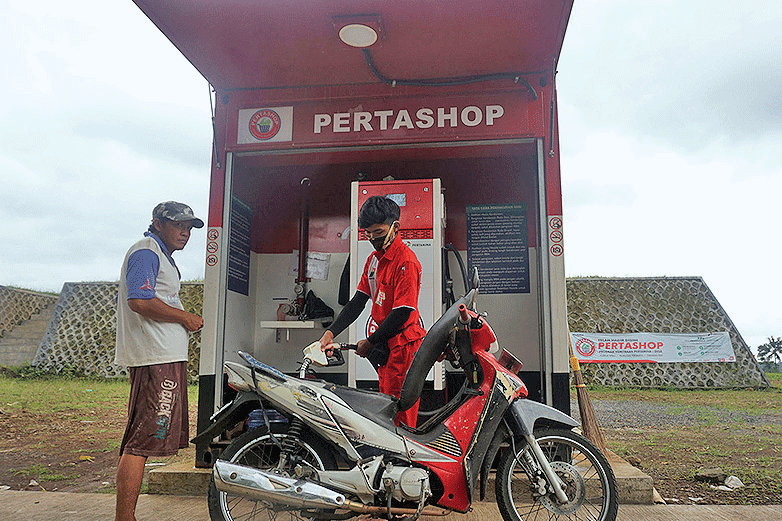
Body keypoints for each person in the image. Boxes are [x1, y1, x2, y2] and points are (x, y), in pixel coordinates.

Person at [114, 201, 205, 521]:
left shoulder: (159, 254)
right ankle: (125, 517)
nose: (185, 232)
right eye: (178, 225)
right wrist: (185, 317)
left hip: (163, 357)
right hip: (155, 358)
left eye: (190, 227)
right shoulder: (146, 250)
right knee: (140, 441)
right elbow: (139, 300)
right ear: (157, 223)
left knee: (144, 438)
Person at [319, 196, 426, 427]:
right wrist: (331, 333)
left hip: (402, 346)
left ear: (395, 227)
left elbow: (403, 312)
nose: (373, 239)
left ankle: (406, 461)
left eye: (378, 231)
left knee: (399, 415)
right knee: (386, 410)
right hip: (386, 345)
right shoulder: (373, 261)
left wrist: (370, 342)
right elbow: (358, 301)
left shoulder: (406, 261)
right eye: (368, 233)